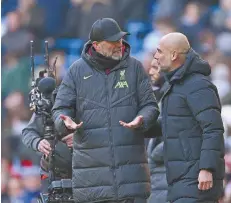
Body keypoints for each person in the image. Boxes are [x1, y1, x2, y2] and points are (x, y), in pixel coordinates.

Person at [52, 18, 159, 203]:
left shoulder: (134, 68)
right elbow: (60, 109)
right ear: (96, 45)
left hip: (131, 181)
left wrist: (142, 118)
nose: (119, 45)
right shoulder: (76, 71)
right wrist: (65, 122)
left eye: (120, 40)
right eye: (113, 42)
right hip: (92, 184)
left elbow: (150, 105)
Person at [151, 32, 225, 203]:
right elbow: (172, 123)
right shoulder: (176, 85)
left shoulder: (198, 85)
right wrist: (142, 124)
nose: (156, 56)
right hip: (181, 179)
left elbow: (213, 129)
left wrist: (206, 168)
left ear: (174, 55)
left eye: (160, 51)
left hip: (196, 180)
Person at [22, 86, 73, 193]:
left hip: (87, 166)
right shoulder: (48, 104)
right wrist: (38, 142)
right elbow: (28, 132)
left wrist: (79, 137)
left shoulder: (85, 100)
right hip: (53, 170)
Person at [147, 58, 167, 203]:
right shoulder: (160, 96)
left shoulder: (173, 96)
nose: (150, 72)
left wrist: (154, 156)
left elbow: (179, 134)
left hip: (165, 172)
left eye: (155, 68)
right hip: (156, 174)